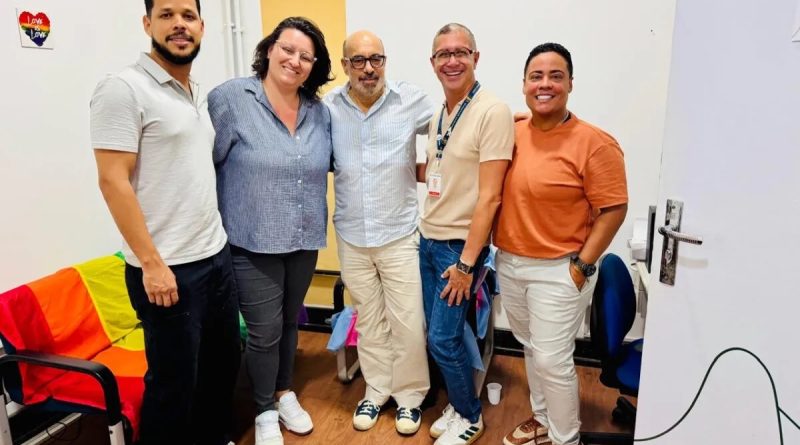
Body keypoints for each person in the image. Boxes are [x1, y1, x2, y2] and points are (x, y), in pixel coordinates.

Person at [90, 1, 240, 444]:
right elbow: (113, 181)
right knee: (174, 386)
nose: (179, 25)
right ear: (147, 23)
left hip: (215, 256)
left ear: (202, 26)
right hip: (169, 270)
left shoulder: (195, 92)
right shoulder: (123, 89)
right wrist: (152, 264)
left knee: (220, 368)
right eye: (167, 14)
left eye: (188, 16)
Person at [207, 16, 333, 445]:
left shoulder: (319, 112)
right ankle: (263, 409)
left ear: (314, 66)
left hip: (303, 238)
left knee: (290, 321)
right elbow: (204, 164)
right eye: (287, 49)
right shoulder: (231, 99)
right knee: (264, 332)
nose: (295, 61)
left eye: (306, 56)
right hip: (251, 241)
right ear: (269, 49)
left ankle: (283, 392)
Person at [494, 43, 628, 445]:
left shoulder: (594, 142)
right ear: (524, 84)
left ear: (570, 83)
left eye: (556, 76)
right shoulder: (512, 132)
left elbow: (614, 209)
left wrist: (582, 266)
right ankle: (542, 421)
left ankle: (566, 438)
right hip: (510, 263)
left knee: (552, 360)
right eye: (536, 76)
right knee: (531, 348)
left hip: (560, 269)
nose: (545, 84)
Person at [324, 30, 434, 435]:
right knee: (368, 320)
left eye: (376, 59)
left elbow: (457, 124)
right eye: (359, 60)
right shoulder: (329, 108)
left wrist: (509, 121)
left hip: (399, 234)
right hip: (352, 236)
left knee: (408, 322)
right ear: (345, 65)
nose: (368, 69)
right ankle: (377, 389)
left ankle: (410, 396)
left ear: (385, 61)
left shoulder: (411, 101)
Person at [418, 23, 514, 445]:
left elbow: (490, 197)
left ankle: (471, 416)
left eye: (461, 52)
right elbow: (439, 171)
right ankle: (458, 405)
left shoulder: (491, 111)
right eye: (444, 54)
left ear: (476, 57)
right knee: (441, 335)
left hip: (458, 248)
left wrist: (465, 265)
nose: (452, 60)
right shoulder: (442, 112)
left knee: (443, 339)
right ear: (433, 62)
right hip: (428, 238)